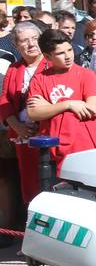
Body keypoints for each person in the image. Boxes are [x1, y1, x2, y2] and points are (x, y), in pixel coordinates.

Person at [26, 28, 96, 171]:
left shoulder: (86, 75)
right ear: (47, 56)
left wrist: (49, 107)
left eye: (69, 50)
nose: (68, 56)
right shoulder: (40, 79)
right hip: (55, 147)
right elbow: (34, 113)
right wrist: (68, 104)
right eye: (60, 53)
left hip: (87, 144)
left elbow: (93, 109)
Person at [0, 23, 45, 203]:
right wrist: (16, 126)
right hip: (22, 136)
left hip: (46, 133)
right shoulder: (14, 68)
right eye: (25, 41)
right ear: (17, 46)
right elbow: (4, 100)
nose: (31, 44)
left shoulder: (51, 65)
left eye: (35, 39)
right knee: (29, 184)